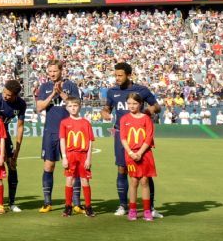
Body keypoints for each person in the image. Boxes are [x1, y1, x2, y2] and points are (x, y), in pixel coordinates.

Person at [103, 62, 162, 218]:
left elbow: (157, 106)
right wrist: (105, 112)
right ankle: (123, 205)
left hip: (140, 137)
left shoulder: (141, 90)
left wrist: (149, 110)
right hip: (121, 135)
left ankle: (151, 207)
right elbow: (107, 108)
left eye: (120, 75)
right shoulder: (112, 91)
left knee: (145, 174)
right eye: (115, 75)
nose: (117, 78)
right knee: (122, 168)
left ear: (129, 75)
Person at [35, 59, 81, 213]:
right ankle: (47, 202)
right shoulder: (45, 87)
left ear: (61, 71)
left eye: (55, 71)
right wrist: (53, 94)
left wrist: (61, 92)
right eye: (50, 71)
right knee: (49, 165)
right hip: (51, 131)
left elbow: (75, 105)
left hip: (70, 132)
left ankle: (76, 203)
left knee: (73, 167)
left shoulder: (70, 86)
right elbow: (39, 107)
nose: (52, 74)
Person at [0, 79, 28, 212]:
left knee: (12, 166)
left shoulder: (21, 104)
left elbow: (20, 127)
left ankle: (12, 202)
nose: (4, 96)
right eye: (4, 92)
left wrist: (16, 152)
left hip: (5, 135)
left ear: (15, 95)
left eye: (8, 95)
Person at [119, 93, 157, 221]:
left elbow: (149, 137)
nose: (131, 106)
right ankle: (133, 210)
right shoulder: (124, 119)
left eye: (134, 103)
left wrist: (140, 152)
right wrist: (130, 152)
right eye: (129, 103)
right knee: (134, 181)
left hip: (145, 154)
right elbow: (123, 138)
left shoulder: (146, 118)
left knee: (145, 181)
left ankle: (147, 211)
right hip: (130, 154)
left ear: (140, 104)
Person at [57, 95, 95, 217]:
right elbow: (62, 140)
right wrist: (64, 157)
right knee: (70, 180)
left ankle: (88, 207)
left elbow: (90, 141)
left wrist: (89, 158)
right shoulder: (64, 123)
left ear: (79, 107)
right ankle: (68, 206)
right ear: (66, 108)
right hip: (70, 155)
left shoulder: (86, 123)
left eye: (75, 106)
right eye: (70, 106)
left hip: (83, 155)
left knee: (85, 181)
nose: (73, 108)